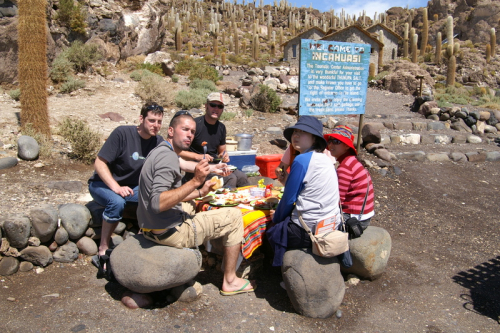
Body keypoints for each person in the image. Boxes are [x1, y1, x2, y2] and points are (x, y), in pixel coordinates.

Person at [137, 112, 256, 295]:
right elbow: (157, 203)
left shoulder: (161, 150)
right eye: (184, 129)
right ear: (171, 130)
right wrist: (195, 182)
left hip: (150, 228)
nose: (189, 135)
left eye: (192, 131)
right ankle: (230, 280)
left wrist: (201, 190)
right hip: (169, 233)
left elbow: (183, 166)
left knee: (194, 201)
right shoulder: (167, 158)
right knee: (234, 216)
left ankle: (210, 251)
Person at [88, 102, 164, 258]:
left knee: (158, 198)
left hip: (130, 188)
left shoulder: (158, 142)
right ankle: (103, 247)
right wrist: (116, 187)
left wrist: (206, 167)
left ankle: (142, 239)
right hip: (102, 184)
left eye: (159, 121)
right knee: (116, 202)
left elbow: (175, 160)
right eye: (151, 120)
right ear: (141, 119)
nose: (155, 125)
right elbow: (99, 163)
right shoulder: (122, 133)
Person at [267, 116, 341, 266]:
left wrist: (276, 218)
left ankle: (278, 270)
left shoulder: (302, 160)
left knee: (271, 230)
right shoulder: (324, 159)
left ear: (314, 139)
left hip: (308, 230)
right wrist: (286, 181)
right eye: (295, 132)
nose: (296, 136)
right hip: (331, 224)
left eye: (302, 132)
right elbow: (308, 190)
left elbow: (288, 199)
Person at [179, 92, 249, 188]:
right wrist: (198, 156)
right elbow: (179, 151)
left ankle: (245, 201)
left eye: (220, 106)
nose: (216, 109)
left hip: (215, 166)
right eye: (213, 105)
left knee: (242, 177)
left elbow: (222, 151)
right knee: (230, 178)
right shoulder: (195, 125)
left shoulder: (221, 127)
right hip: (196, 168)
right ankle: (223, 202)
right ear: (206, 106)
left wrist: (224, 155)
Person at [324, 125, 375, 230]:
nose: (331, 145)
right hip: (364, 214)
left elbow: (338, 199)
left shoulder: (345, 167)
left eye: (336, 142)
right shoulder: (351, 160)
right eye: (330, 141)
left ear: (347, 146)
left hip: (354, 219)